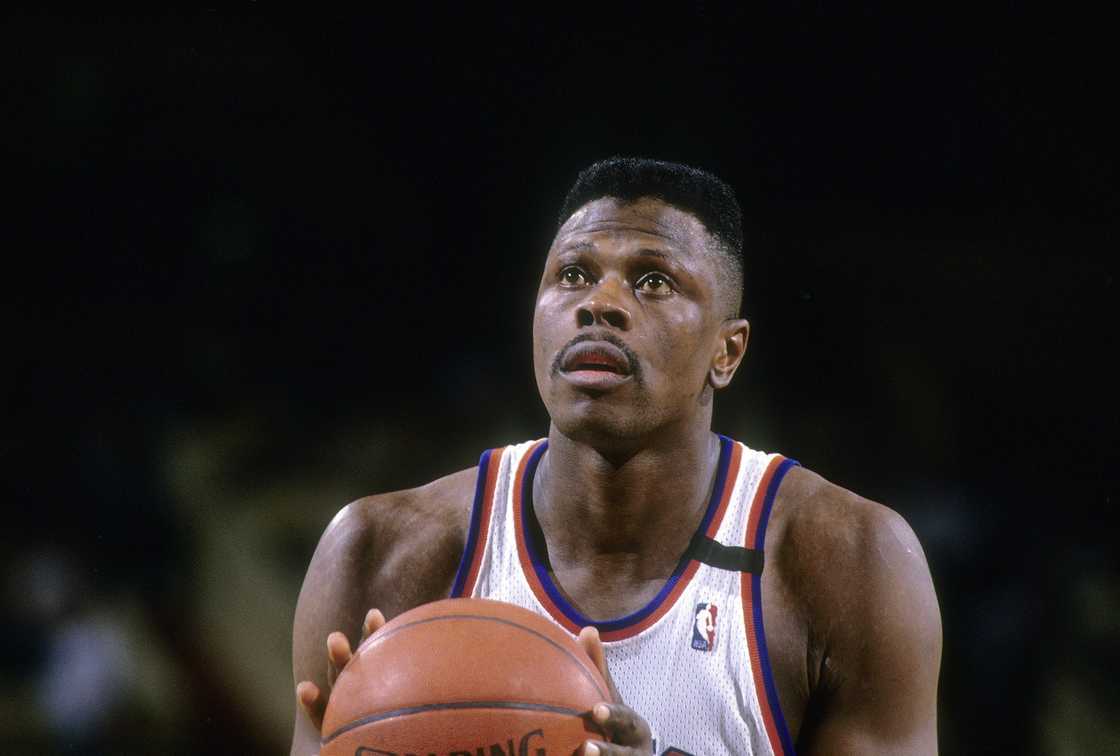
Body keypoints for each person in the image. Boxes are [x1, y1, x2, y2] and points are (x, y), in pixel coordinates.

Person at [290, 157, 942, 755]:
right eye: (572, 274)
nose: (599, 303)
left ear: (728, 352)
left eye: (652, 281)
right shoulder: (377, 553)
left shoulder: (850, 561)